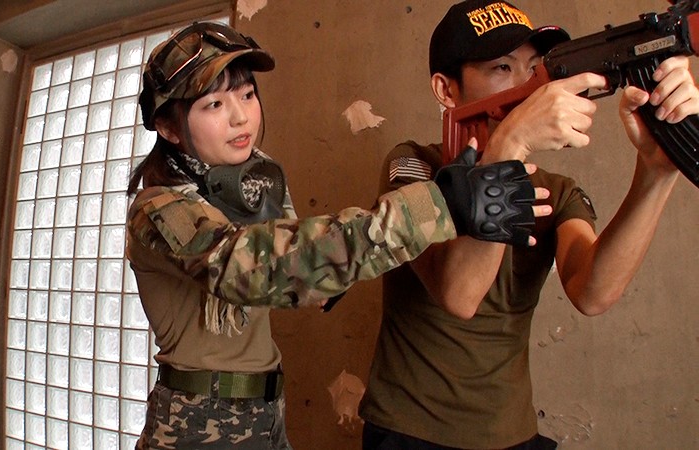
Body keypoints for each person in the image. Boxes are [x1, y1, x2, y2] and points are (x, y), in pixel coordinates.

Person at [125, 21, 548, 449]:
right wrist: (437, 204)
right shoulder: (157, 210)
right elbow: (249, 268)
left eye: (247, 94)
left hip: (265, 412)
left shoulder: (251, 184)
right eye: (214, 104)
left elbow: (294, 257)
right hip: (194, 424)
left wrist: (331, 270)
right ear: (169, 127)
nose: (240, 116)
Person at [359, 1, 699, 449]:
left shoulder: (555, 190)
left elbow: (592, 292)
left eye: (535, 68)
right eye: (503, 67)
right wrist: (511, 142)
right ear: (446, 89)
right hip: (410, 433)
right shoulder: (414, 165)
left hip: (513, 433)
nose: (528, 86)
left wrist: (656, 172)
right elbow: (458, 293)